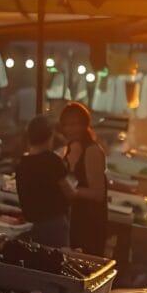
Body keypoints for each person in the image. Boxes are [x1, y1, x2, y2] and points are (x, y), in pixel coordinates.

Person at [16, 115, 74, 247]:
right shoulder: (53, 161)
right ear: (50, 136)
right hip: (54, 225)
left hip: (31, 224)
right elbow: (70, 193)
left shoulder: (22, 163)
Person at [59, 102, 108, 256]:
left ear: (84, 125)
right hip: (74, 219)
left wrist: (73, 191)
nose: (69, 129)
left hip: (89, 221)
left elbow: (98, 194)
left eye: (74, 125)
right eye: (66, 125)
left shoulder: (92, 151)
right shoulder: (71, 147)